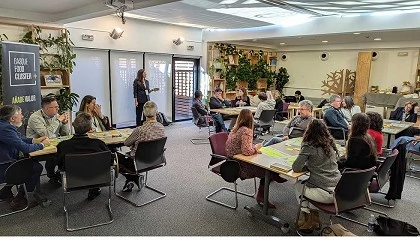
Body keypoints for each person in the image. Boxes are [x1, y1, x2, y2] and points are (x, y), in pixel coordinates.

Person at [225, 109, 287, 209]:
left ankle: (272, 178)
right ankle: (262, 195)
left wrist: (252, 147)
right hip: (239, 165)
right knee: (267, 169)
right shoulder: (247, 130)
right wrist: (256, 148)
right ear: (251, 119)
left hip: (231, 161)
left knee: (265, 163)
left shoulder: (235, 129)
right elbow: (246, 151)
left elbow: (242, 147)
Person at [293, 119, 341, 234]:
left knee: (299, 185)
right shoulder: (330, 144)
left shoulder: (309, 146)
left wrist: (307, 166)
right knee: (307, 185)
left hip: (324, 192)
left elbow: (296, 167)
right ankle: (313, 218)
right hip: (339, 190)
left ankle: (309, 219)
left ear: (309, 131)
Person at [0, 105, 50, 210]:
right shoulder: (6, 129)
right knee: (36, 168)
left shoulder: (3, 125)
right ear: (12, 118)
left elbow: (19, 139)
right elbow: (26, 149)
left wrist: (34, 140)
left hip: (5, 161)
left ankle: (5, 191)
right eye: (20, 114)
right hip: (4, 167)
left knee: (27, 162)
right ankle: (18, 200)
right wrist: (42, 145)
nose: (22, 116)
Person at [54, 112, 111, 201]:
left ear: (73, 125)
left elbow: (58, 162)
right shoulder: (99, 144)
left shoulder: (63, 146)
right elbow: (109, 160)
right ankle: (94, 189)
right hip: (97, 178)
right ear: (90, 128)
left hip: (72, 180)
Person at [117, 101, 165, 192]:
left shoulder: (139, 130)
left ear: (143, 113)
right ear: (156, 113)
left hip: (138, 162)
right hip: (156, 159)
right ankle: (133, 179)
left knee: (115, 157)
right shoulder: (161, 127)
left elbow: (126, 143)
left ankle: (133, 177)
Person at [26, 96, 71, 184]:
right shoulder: (35, 118)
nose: (58, 109)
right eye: (55, 107)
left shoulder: (56, 116)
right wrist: (58, 121)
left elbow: (65, 134)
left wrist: (65, 123)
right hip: (37, 147)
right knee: (55, 156)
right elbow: (46, 135)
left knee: (68, 152)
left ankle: (56, 175)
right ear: (47, 108)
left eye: (57, 106)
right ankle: (51, 174)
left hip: (52, 145)